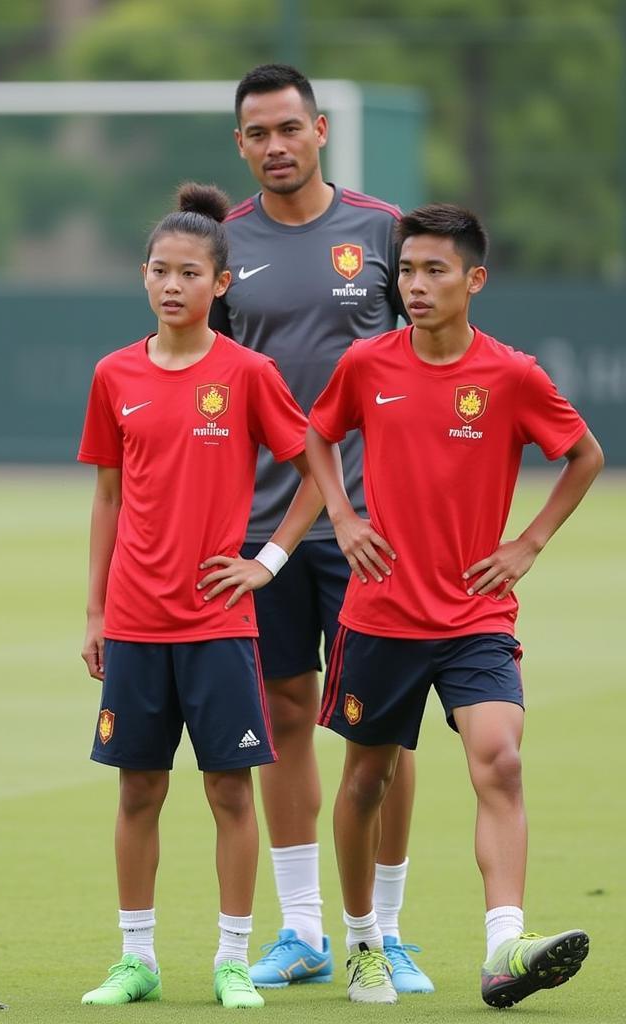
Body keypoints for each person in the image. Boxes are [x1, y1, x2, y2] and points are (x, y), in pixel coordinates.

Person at [305, 203, 602, 1005]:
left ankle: (505, 945)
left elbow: (583, 455)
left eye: (435, 270)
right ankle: (364, 941)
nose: (417, 285)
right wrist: (342, 514)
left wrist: (528, 543)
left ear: (475, 279)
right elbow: (317, 433)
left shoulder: (512, 374)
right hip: (380, 613)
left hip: (474, 615)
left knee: (501, 760)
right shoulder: (368, 363)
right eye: (406, 271)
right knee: (365, 781)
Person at [77, 183, 328, 1009]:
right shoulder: (113, 373)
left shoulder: (248, 373)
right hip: (138, 624)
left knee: (228, 790)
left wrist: (269, 560)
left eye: (190, 272)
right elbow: (109, 497)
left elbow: (316, 477)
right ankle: (136, 958)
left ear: (222, 284)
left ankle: (230, 956)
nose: (172, 284)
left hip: (221, 623)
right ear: (143, 278)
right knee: (138, 789)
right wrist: (95, 612)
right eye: (159, 270)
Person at [210, 62, 431, 992]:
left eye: (288, 129)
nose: (274, 147)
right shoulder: (220, 244)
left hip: (372, 526)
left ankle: (383, 929)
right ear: (241, 145)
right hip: (258, 532)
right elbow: (200, 373)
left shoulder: (381, 233)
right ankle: (302, 929)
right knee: (285, 717)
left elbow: (431, 364)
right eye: (257, 134)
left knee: (384, 732)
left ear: (321, 130)